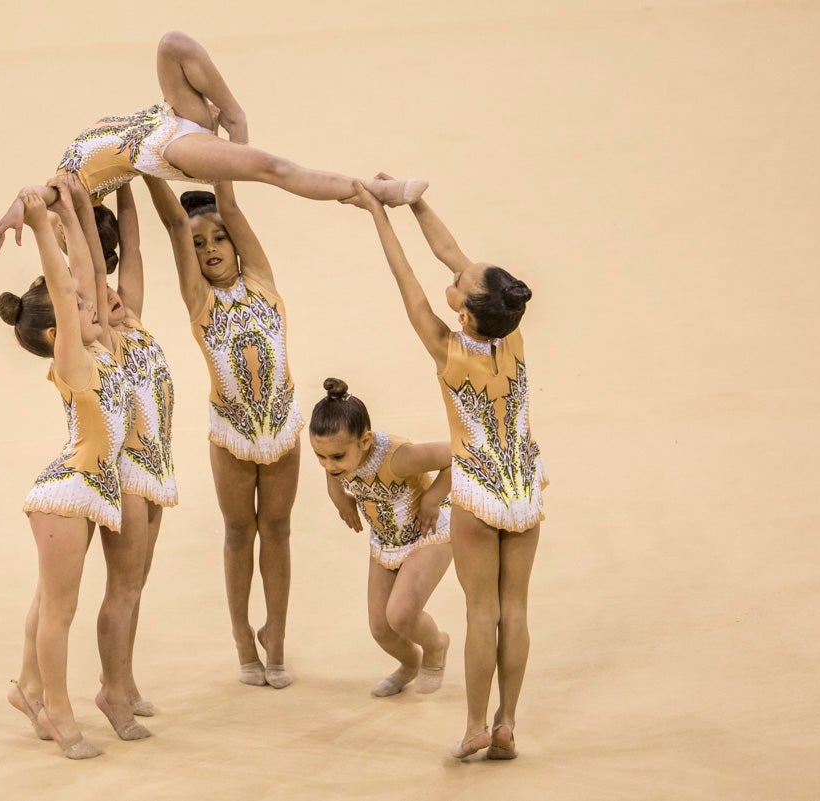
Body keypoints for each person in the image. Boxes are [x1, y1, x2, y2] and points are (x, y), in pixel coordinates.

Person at [342, 180, 547, 760]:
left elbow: (406, 278)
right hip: (523, 487)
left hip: (478, 491)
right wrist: (414, 200)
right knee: (515, 611)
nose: (455, 272)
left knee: (483, 613)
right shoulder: (511, 330)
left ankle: (476, 724)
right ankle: (507, 725)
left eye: (459, 281)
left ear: (462, 309)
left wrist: (378, 213)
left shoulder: (448, 350)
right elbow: (453, 254)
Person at [0, 31, 427, 254]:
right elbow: (35, 196)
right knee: (274, 169)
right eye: (62, 236)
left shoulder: (70, 176)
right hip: (164, 150)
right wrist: (19, 209)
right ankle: (375, 190)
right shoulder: (72, 192)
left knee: (172, 44)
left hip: (166, 117)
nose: (56, 232)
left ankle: (233, 115)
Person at [0, 175, 148, 759]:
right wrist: (42, 226)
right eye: (80, 309)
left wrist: (75, 207)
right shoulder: (73, 362)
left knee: (48, 601)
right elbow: (65, 288)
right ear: (55, 332)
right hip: (67, 494)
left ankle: (28, 689)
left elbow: (83, 274)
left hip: (89, 493)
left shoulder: (101, 349)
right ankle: (58, 715)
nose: (92, 304)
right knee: (61, 611)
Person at [144, 175, 302, 688]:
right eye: (199, 244)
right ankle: (241, 638)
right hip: (232, 433)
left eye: (218, 237)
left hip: (282, 428)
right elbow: (173, 224)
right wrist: (147, 162)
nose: (210, 248)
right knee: (239, 532)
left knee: (277, 530)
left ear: (235, 241)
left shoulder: (262, 281)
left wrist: (219, 156)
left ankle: (276, 636)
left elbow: (229, 203)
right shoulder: (200, 302)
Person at [77, 179, 178, 718]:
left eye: (114, 288)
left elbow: (131, 247)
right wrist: (78, 206)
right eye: (102, 291)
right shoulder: (103, 339)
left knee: (136, 586)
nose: (112, 292)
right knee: (123, 588)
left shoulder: (131, 319)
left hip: (156, 470)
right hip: (125, 475)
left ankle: (122, 680)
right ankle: (112, 693)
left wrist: (128, 182)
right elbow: (94, 266)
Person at [309, 378, 454, 698]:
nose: (328, 465)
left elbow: (458, 455)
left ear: (366, 441)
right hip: (386, 541)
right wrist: (338, 496)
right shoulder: (338, 456)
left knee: (401, 614)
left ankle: (436, 646)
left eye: (336, 457)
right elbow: (331, 470)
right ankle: (410, 663)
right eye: (320, 456)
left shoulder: (400, 458)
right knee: (381, 629)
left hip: (428, 534)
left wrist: (432, 499)